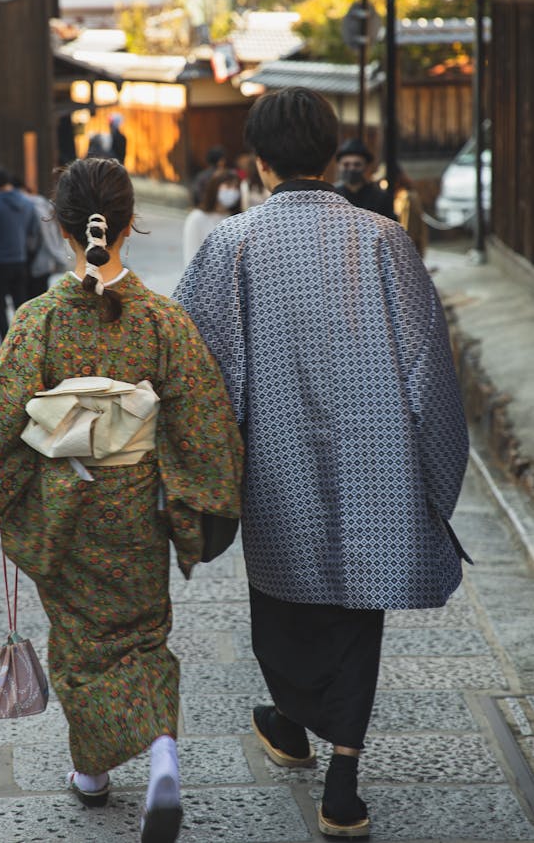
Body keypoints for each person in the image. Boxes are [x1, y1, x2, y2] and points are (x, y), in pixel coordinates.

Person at [174, 88, 469, 839]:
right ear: (333, 154)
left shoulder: (232, 244)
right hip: (376, 467)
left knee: (282, 608)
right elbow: (430, 370)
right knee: (354, 615)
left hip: (274, 468)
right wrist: (434, 476)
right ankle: (340, 779)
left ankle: (297, 728)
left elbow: (192, 365)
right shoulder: (383, 239)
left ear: (260, 161)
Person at [0, 157, 243, 843]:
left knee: (82, 640)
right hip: (138, 503)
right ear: (129, 224)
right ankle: (162, 753)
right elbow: (206, 417)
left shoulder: (39, 321)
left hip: (64, 505)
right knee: (143, 633)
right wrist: (197, 497)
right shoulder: (162, 320)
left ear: (63, 229)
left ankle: (92, 773)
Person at [0, 166, 41, 341]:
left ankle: (5, 348)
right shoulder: (27, 203)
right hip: (20, 261)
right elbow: (33, 231)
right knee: (20, 306)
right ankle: (23, 345)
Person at [182, 168, 241, 266]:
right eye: (228, 186)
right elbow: (191, 259)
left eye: (236, 187)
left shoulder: (237, 218)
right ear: (215, 188)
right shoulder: (197, 219)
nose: (233, 191)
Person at [333, 137, 395, 219]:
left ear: (366, 166)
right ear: (339, 166)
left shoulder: (380, 198)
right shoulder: (333, 195)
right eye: (346, 164)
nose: (351, 169)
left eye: (357, 165)